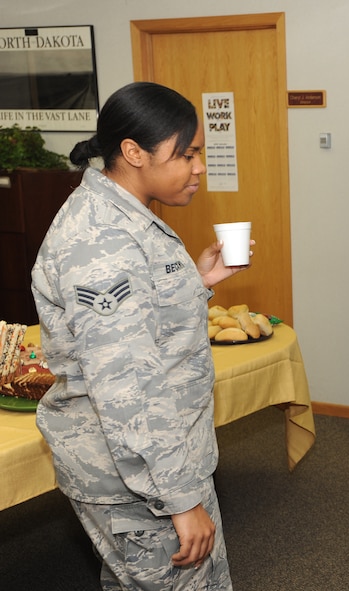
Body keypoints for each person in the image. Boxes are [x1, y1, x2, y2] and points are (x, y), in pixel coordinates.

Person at [31, 81, 247, 591]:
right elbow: (128, 387)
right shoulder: (102, 239)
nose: (198, 167)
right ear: (132, 153)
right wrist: (181, 500)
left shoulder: (126, 215)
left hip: (160, 465)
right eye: (185, 154)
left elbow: (141, 329)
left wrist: (195, 284)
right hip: (137, 477)